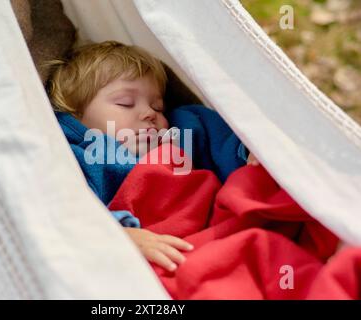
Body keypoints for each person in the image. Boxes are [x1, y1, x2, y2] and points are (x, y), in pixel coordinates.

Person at [47, 40, 258, 272]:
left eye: (158, 107)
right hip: (164, 263)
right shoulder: (81, 159)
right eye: (125, 103)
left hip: (225, 232)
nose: (149, 113)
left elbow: (222, 142)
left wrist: (248, 151)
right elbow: (70, 215)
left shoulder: (180, 132)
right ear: (76, 117)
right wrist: (124, 234)